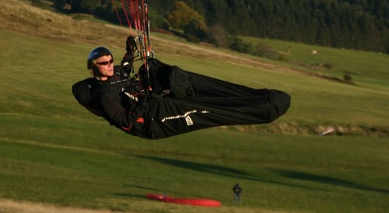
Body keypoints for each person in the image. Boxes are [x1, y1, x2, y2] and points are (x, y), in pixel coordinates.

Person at [72, 41, 291, 141]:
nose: (110, 64)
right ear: (94, 68)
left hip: (153, 104)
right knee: (202, 109)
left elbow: (126, 69)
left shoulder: (116, 73)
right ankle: (263, 110)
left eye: (110, 60)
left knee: (177, 77)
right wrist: (143, 102)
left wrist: (130, 53)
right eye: (104, 63)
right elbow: (126, 122)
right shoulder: (105, 97)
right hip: (153, 121)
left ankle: (260, 97)